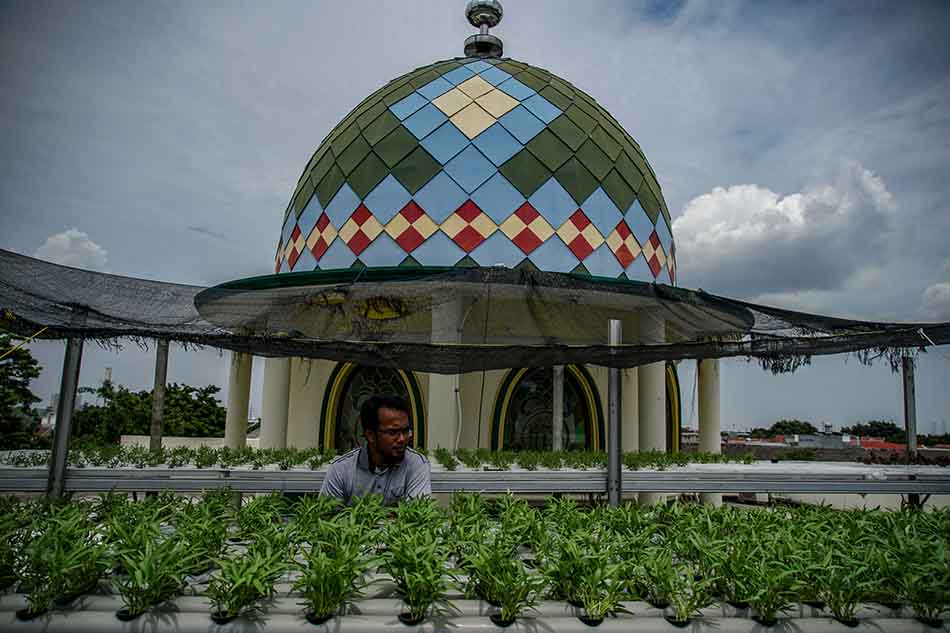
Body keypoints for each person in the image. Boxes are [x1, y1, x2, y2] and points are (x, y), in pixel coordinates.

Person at [319, 393, 431, 505]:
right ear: (371, 435)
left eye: (406, 431)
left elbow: (418, 516)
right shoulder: (341, 469)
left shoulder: (416, 464)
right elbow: (326, 516)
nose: (402, 439)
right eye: (393, 432)